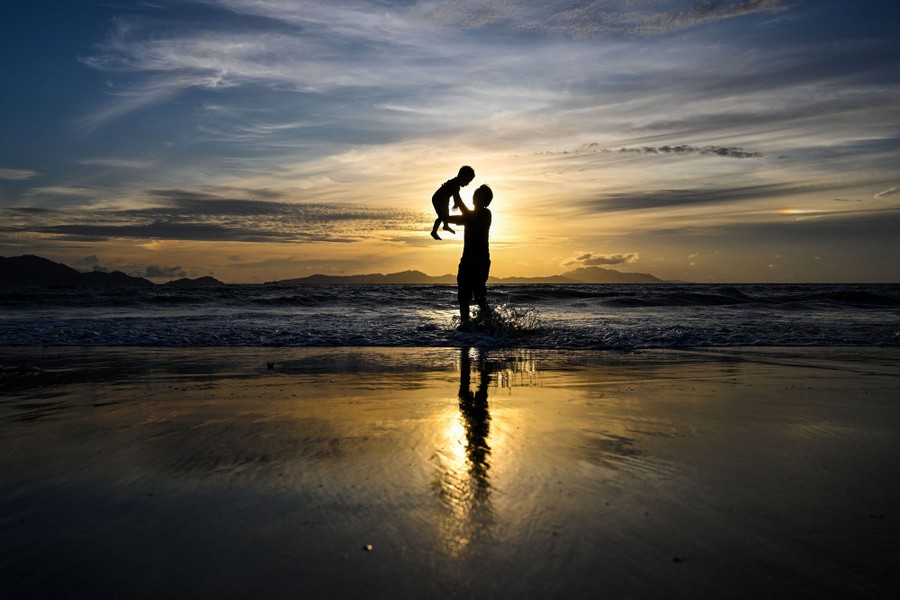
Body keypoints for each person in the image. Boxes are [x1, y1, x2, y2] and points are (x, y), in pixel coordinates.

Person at [447, 184, 493, 324]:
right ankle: (465, 325)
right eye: (475, 194)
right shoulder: (469, 216)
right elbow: (456, 218)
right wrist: (442, 217)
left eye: (480, 195)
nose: (476, 196)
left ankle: (491, 322)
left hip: (480, 261)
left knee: (479, 296)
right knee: (463, 296)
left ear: (486, 201)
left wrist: (456, 195)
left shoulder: (485, 214)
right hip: (466, 260)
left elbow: (467, 216)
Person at [431, 165, 475, 240]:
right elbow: (456, 195)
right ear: (462, 177)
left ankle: (445, 225)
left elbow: (455, 195)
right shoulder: (455, 184)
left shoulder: (456, 183)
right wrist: (456, 204)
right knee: (442, 216)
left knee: (445, 213)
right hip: (438, 199)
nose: (467, 184)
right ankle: (434, 232)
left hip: (444, 199)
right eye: (467, 181)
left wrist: (456, 203)